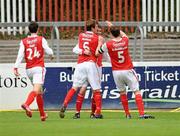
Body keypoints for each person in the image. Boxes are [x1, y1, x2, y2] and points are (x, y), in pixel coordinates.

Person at [96, 21, 154, 119]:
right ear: (119, 32)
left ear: (110, 34)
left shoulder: (108, 44)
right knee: (136, 91)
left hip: (116, 72)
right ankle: (141, 114)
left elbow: (98, 53)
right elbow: (124, 34)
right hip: (127, 70)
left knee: (122, 92)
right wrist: (112, 26)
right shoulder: (125, 40)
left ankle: (127, 114)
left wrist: (99, 44)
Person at [59, 19, 104, 119]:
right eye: (96, 27)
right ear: (92, 28)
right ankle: (97, 112)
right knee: (96, 89)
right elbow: (97, 53)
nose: (98, 28)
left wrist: (83, 51)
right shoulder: (97, 38)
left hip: (80, 65)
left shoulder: (81, 36)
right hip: (91, 64)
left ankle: (65, 104)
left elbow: (76, 49)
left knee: (74, 87)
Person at [14, 21, 54, 121]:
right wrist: (51, 55)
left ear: (29, 30)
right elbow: (48, 50)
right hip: (38, 68)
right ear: (37, 29)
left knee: (39, 92)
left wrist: (16, 67)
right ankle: (27, 104)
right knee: (36, 90)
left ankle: (42, 115)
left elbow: (20, 55)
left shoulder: (24, 41)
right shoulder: (41, 39)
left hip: (29, 70)